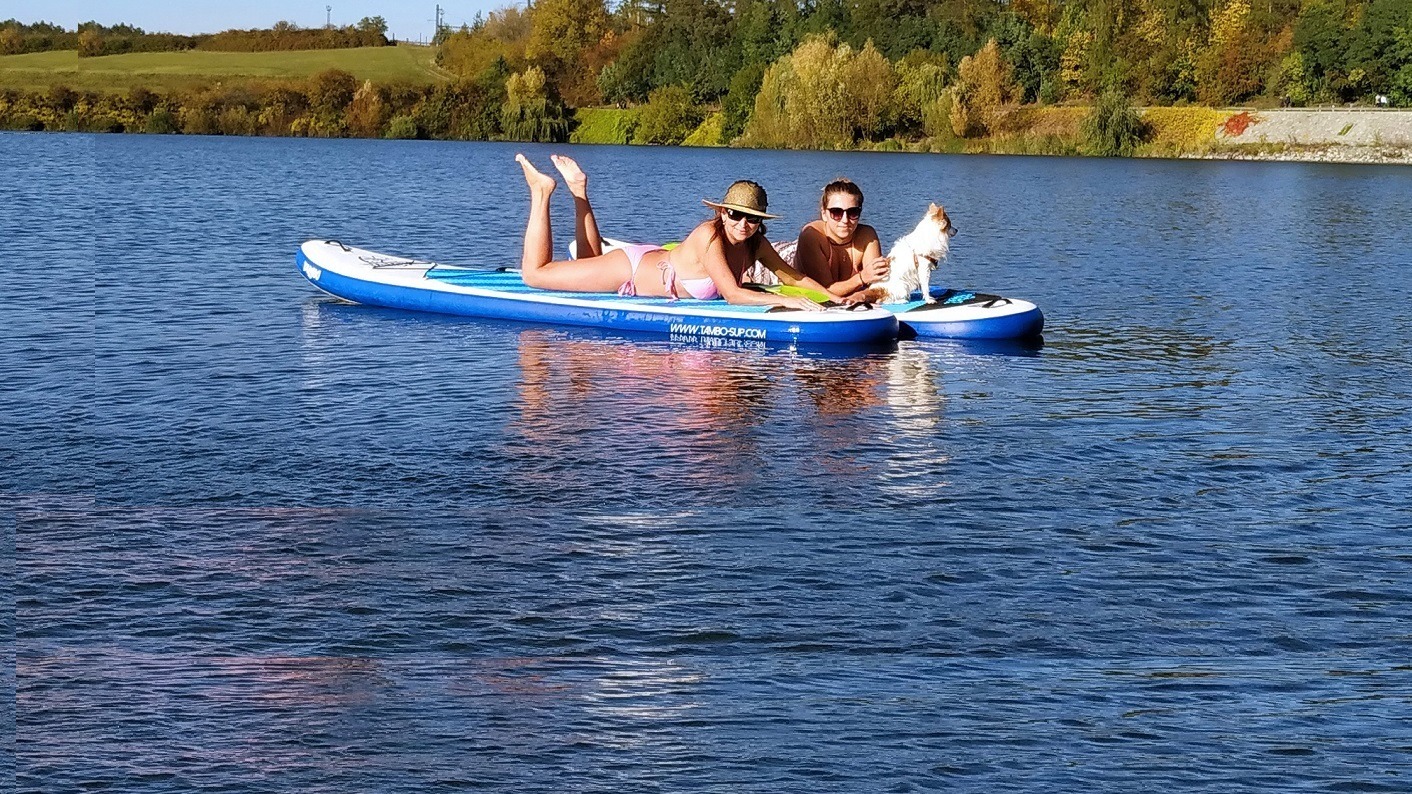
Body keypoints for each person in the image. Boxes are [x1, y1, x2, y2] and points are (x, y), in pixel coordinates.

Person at [516, 154, 833, 312]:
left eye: (752, 219)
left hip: (654, 261)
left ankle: (578, 189)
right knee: (534, 274)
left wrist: (836, 298)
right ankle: (542, 192)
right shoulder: (710, 237)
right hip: (632, 269)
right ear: (722, 212)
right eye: (735, 215)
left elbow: (792, 277)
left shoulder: (755, 242)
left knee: (588, 261)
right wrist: (794, 303)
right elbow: (734, 295)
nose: (742, 225)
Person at [794, 178, 891, 300]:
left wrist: (861, 296)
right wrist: (861, 278)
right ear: (824, 214)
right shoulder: (811, 235)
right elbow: (824, 291)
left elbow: (878, 285)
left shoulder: (867, 236)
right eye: (836, 212)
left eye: (853, 212)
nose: (845, 220)